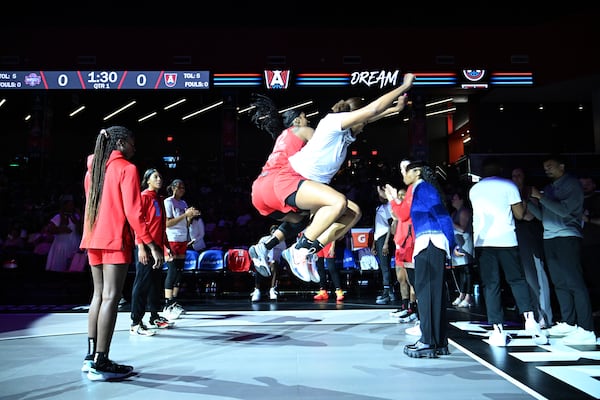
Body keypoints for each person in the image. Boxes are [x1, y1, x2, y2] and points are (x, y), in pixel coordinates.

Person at [281, 73, 415, 281]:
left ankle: (308, 251)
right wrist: (403, 86)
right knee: (340, 204)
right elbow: (372, 110)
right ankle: (297, 249)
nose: (363, 128)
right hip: (295, 179)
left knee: (354, 213)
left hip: (309, 183)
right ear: (354, 116)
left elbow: (371, 116)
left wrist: (395, 109)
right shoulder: (332, 122)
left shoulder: (346, 133)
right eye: (361, 122)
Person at [79, 126, 165, 381]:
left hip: (93, 237)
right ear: (120, 142)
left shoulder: (92, 171)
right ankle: (102, 361)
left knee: (98, 296)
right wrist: (149, 243)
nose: (134, 148)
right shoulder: (127, 169)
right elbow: (133, 212)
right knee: (111, 297)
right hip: (114, 238)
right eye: (131, 142)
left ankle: (90, 356)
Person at [468, 157, 547, 347]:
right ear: (500, 170)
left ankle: (498, 330)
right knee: (517, 280)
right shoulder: (509, 185)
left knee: (491, 284)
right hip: (507, 240)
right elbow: (519, 215)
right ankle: (530, 320)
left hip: (483, 241)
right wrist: (524, 198)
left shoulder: (474, 189)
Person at [384, 161, 455, 358]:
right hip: (428, 243)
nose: (403, 175)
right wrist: (392, 199)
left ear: (417, 172)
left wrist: (452, 242)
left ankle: (428, 342)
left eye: (406, 171)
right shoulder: (416, 189)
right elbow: (403, 215)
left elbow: (441, 214)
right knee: (431, 292)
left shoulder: (423, 188)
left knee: (428, 293)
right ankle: (438, 342)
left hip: (431, 242)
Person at [528, 155, 596, 344]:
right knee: (559, 282)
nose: (547, 169)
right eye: (544, 167)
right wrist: (529, 203)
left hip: (567, 236)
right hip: (550, 237)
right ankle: (569, 322)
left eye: (550, 166)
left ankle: (586, 327)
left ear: (562, 166)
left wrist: (540, 197)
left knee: (574, 281)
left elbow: (565, 211)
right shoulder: (549, 188)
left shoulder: (572, 185)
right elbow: (544, 216)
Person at [247, 94, 315, 278]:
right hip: (279, 185)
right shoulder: (303, 130)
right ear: (298, 119)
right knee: (327, 205)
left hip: (259, 190)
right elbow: (325, 144)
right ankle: (303, 252)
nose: (307, 119)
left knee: (300, 220)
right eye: (305, 116)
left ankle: (264, 247)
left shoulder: (282, 136)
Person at [129, 168, 173, 337]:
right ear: (147, 180)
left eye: (160, 176)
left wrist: (166, 246)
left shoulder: (159, 199)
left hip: (157, 247)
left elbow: (160, 226)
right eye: (155, 176)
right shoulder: (143, 197)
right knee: (142, 283)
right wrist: (140, 247)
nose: (159, 179)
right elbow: (137, 224)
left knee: (155, 283)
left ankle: (154, 317)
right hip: (146, 247)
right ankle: (135, 322)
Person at [511, 167, 553, 327]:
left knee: (537, 276)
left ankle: (544, 315)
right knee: (525, 278)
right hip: (516, 238)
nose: (516, 178)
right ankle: (531, 313)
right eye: (514, 176)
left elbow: (531, 216)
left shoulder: (530, 194)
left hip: (531, 237)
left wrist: (525, 203)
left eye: (519, 175)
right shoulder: (512, 194)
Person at [163, 179, 201, 319]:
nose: (181, 190)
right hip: (172, 238)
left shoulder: (183, 203)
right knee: (172, 270)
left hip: (182, 238)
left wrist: (190, 217)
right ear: (173, 188)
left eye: (183, 187)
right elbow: (168, 223)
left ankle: (174, 301)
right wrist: (185, 215)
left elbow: (185, 222)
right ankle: (167, 303)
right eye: (179, 187)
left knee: (179, 271)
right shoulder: (168, 202)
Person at [448, 189, 475, 308]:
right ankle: (462, 294)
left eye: (455, 198)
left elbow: (462, 229)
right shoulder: (454, 213)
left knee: (467, 270)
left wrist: (450, 222)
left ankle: (469, 296)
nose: (452, 201)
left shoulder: (464, 212)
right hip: (457, 243)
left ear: (461, 200)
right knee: (461, 271)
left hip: (465, 242)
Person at [579, 176, 600, 315]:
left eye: (587, 183)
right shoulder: (577, 200)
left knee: (597, 277)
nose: (585, 186)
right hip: (578, 244)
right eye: (582, 184)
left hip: (595, 245)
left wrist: (588, 219)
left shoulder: (598, 199)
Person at [45, 194, 82, 272]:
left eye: (72, 204)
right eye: (69, 205)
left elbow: (81, 231)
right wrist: (60, 230)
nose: (71, 206)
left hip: (74, 244)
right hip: (61, 246)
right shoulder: (58, 217)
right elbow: (50, 230)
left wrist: (80, 218)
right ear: (64, 206)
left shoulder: (77, 217)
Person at [372, 185, 396, 305]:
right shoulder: (379, 207)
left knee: (385, 267)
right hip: (379, 238)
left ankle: (387, 292)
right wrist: (374, 244)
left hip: (385, 239)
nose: (379, 195)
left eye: (380, 192)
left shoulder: (389, 206)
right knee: (383, 266)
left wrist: (386, 243)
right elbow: (377, 226)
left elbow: (390, 225)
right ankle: (389, 291)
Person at [250, 224, 287, 302]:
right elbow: (259, 253)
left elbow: (283, 254)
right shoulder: (264, 239)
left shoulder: (282, 242)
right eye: (273, 230)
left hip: (276, 264)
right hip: (265, 262)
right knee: (259, 265)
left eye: (276, 230)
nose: (274, 232)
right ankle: (257, 290)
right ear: (270, 232)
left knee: (274, 264)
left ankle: (272, 289)